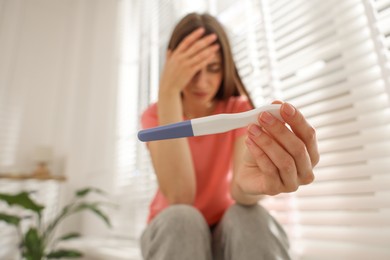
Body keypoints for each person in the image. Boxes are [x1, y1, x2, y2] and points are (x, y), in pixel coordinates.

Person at [140, 12, 319, 260]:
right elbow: (181, 196)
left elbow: (240, 192)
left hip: (227, 233)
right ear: (172, 63)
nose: (202, 82)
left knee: (250, 215)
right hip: (173, 234)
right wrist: (168, 92)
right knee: (182, 218)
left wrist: (254, 186)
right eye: (191, 70)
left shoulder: (238, 111)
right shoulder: (154, 116)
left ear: (225, 68)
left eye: (213, 68)